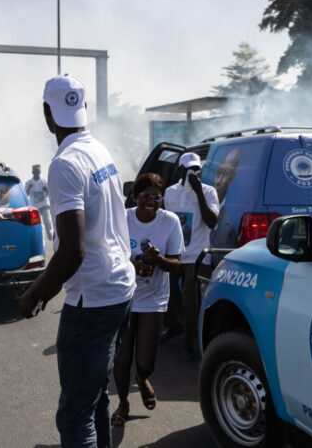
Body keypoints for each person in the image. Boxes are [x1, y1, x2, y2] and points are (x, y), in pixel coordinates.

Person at [19, 73, 135, 448]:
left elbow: (72, 250)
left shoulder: (64, 163)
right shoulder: (99, 150)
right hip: (119, 289)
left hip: (93, 301)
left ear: (46, 114)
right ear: (83, 109)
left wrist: (35, 293)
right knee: (95, 395)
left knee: (74, 414)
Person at [110, 173, 182, 427]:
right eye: (146, 195)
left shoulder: (170, 221)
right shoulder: (123, 218)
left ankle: (142, 379)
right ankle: (122, 402)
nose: (151, 201)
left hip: (154, 298)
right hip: (123, 296)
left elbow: (176, 264)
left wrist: (158, 260)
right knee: (122, 356)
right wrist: (134, 265)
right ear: (135, 196)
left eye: (157, 197)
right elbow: (110, 256)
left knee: (146, 360)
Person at [160, 152, 218, 361]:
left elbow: (212, 222)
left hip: (197, 256)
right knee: (167, 293)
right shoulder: (170, 192)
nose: (193, 174)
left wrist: (199, 192)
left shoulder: (209, 191)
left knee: (190, 301)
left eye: (197, 170)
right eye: (189, 170)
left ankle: (189, 345)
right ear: (181, 171)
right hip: (175, 253)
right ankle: (175, 325)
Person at [209, 147, 242, 265]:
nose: (218, 181)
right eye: (218, 173)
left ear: (233, 177)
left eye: (226, 174)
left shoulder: (231, 218)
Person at [26, 164, 54, 240]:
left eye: (38, 171)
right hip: (34, 206)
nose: (36, 172)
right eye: (35, 171)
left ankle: (48, 231)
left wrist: (46, 190)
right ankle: (37, 236)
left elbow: (51, 193)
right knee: (35, 223)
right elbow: (26, 195)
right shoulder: (29, 183)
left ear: (40, 171)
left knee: (47, 222)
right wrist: (29, 188)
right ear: (32, 172)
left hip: (44, 205)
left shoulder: (44, 181)